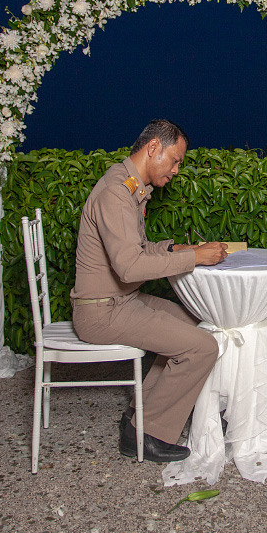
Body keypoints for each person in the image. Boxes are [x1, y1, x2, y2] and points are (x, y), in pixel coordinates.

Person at [70, 119, 228, 463]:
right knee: (204, 347)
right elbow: (130, 267)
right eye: (174, 160)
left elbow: (136, 251)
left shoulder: (127, 185)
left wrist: (178, 250)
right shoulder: (116, 192)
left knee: (191, 323)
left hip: (120, 300)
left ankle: (137, 414)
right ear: (153, 147)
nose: (176, 170)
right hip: (102, 311)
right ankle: (147, 433)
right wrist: (194, 258)